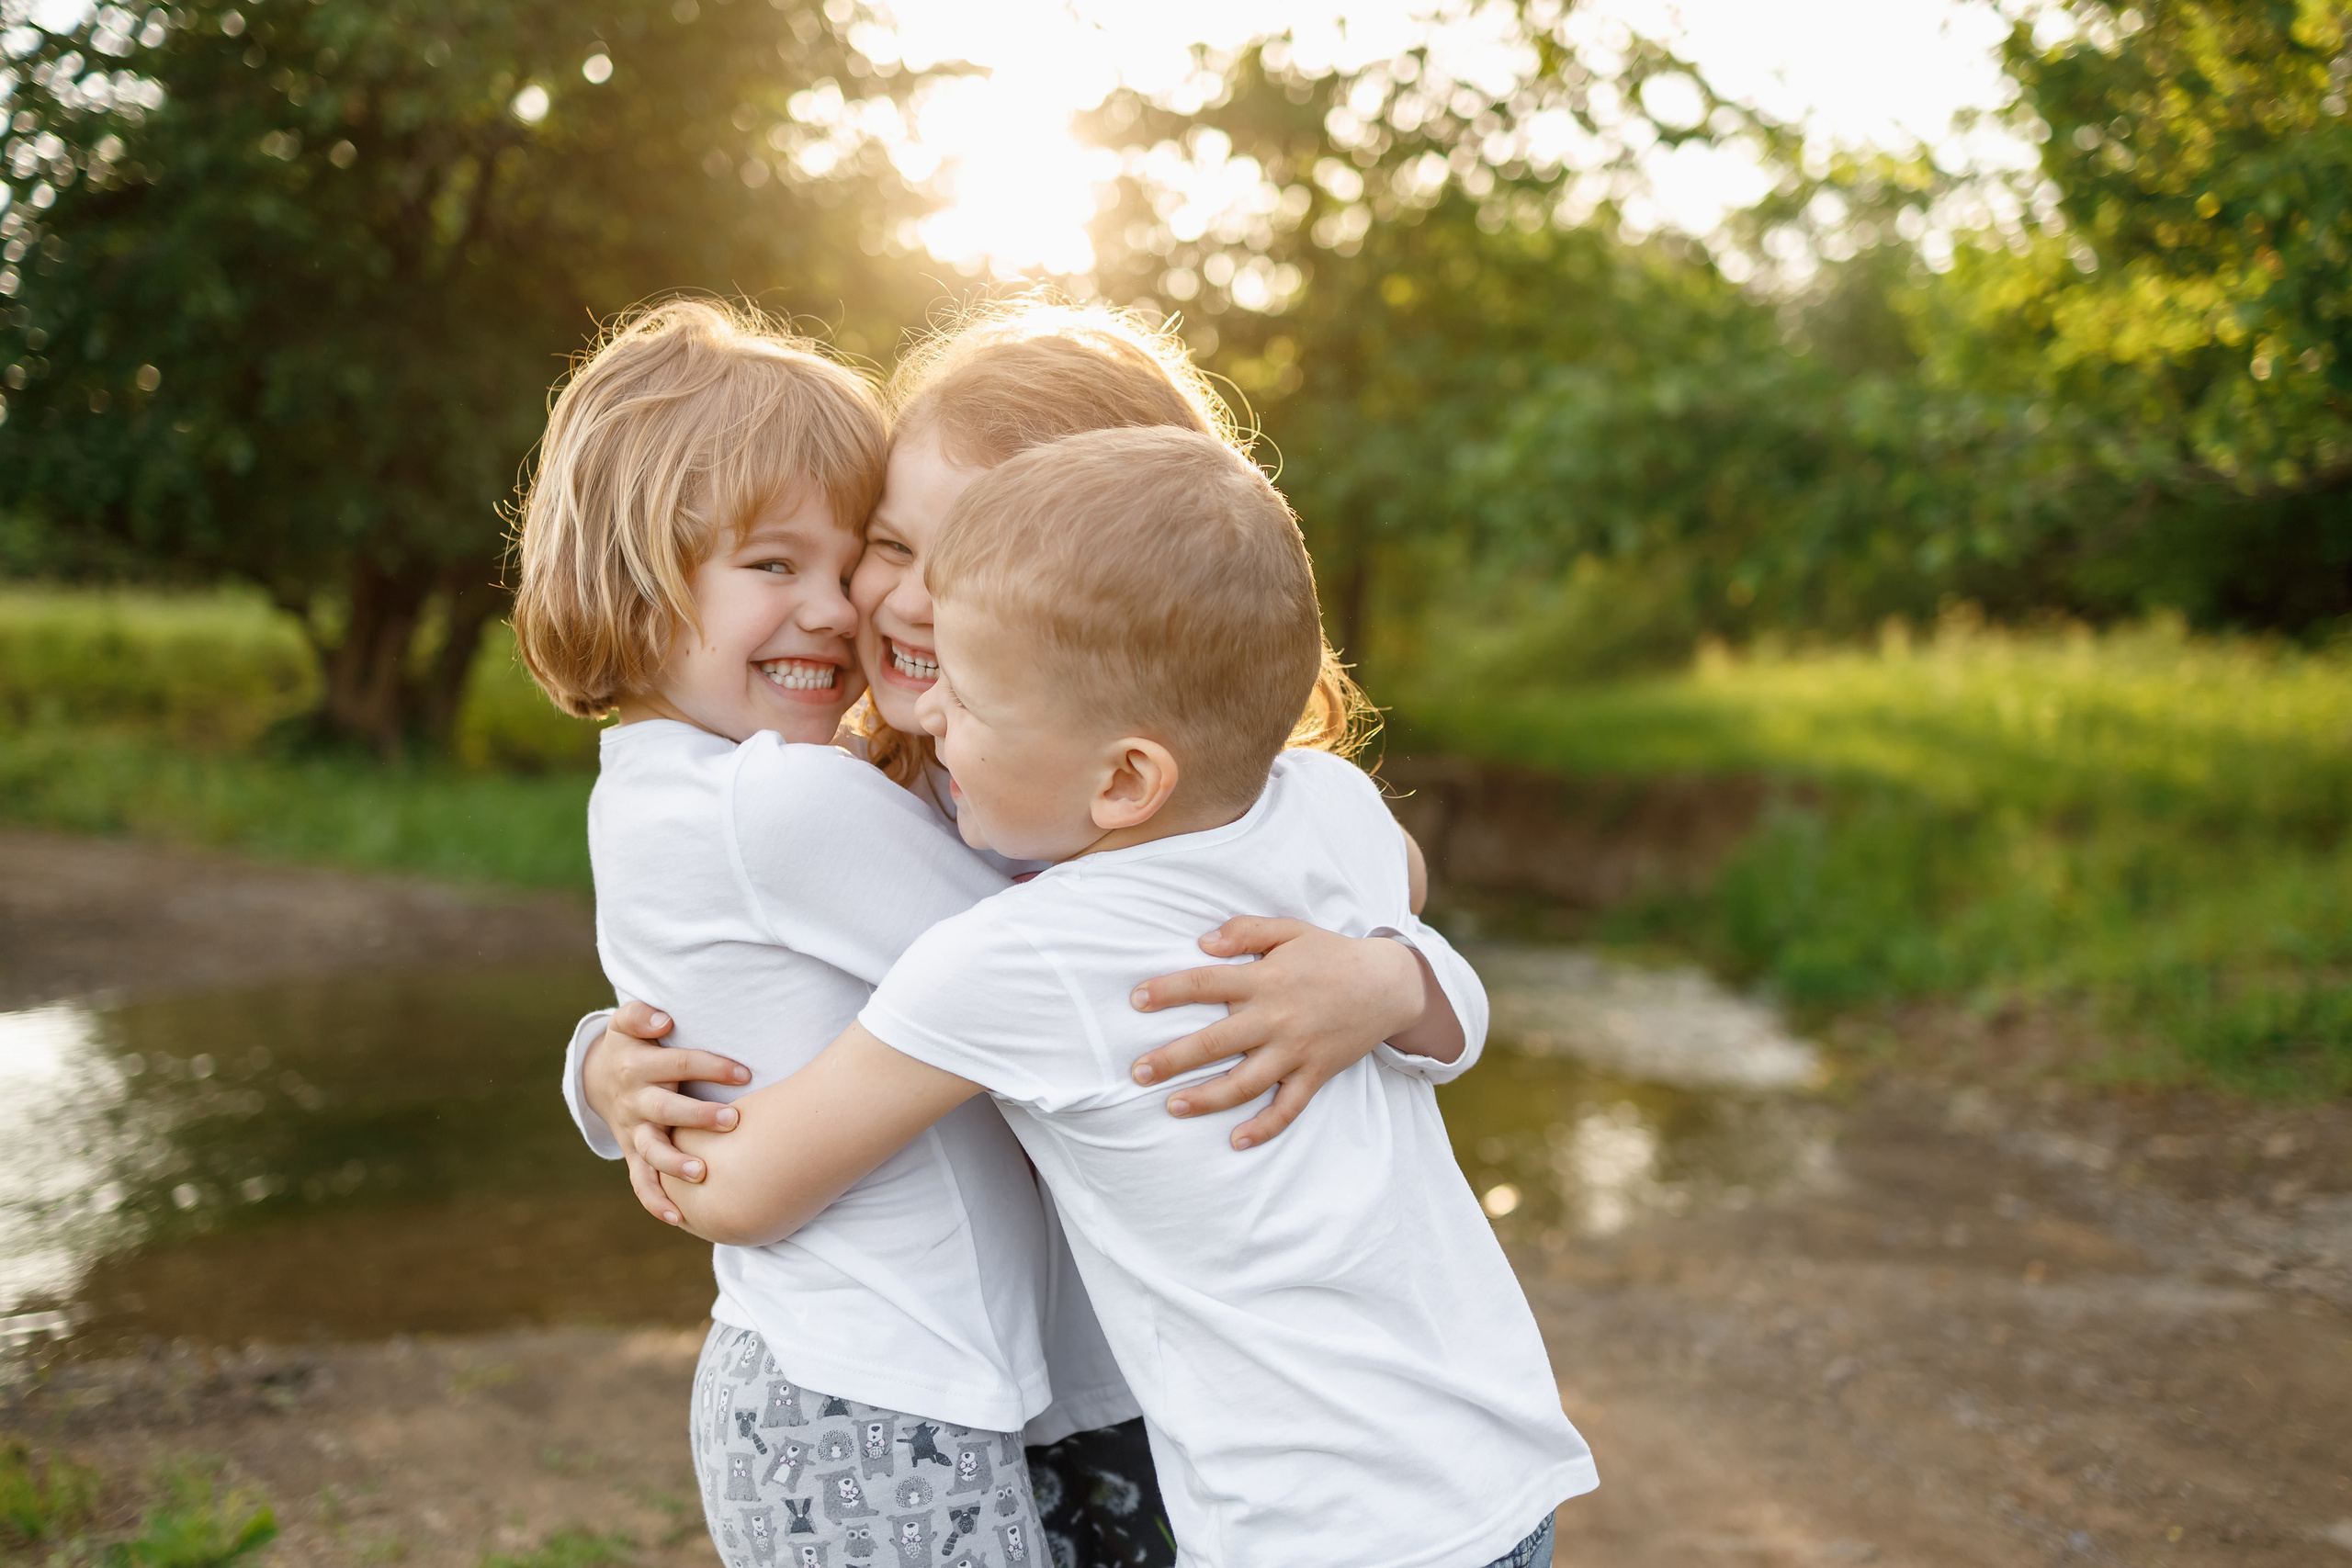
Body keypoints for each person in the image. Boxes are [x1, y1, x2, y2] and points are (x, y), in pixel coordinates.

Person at [521, 300, 1488, 1568]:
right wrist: (606, 1063)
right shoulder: (906, 789)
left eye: (974, 564)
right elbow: (777, 974)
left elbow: (1365, 863)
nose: (894, 604)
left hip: (1157, 1379)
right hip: (983, 1380)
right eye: (891, 544)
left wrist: (1380, 971)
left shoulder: (1140, 804)